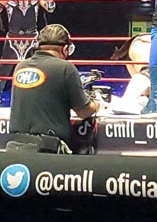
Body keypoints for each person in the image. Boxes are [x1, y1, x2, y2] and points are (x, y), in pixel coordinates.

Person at [7, 24, 99, 154]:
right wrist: (98, 104)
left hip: (15, 148)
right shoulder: (65, 68)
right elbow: (84, 112)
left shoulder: (20, 67)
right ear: (65, 49)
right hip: (47, 151)